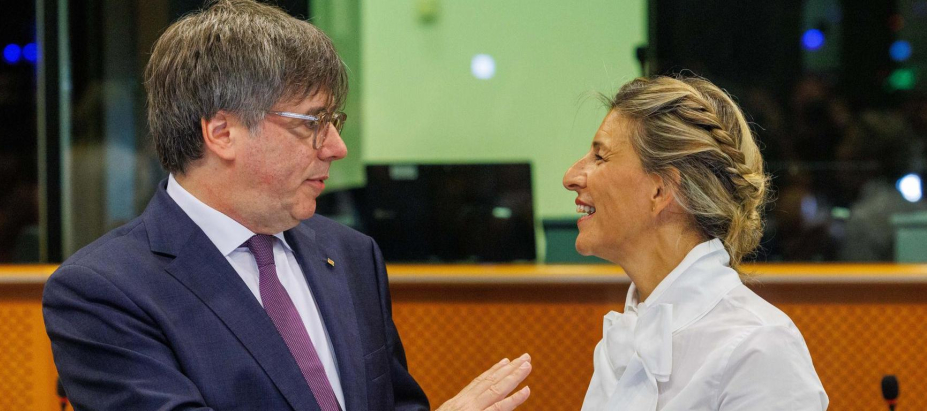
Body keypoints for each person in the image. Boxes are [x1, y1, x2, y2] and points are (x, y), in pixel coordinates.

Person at [41, 1, 531, 410]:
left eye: (334, 120)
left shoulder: (351, 255)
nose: (336, 147)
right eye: (312, 122)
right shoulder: (103, 292)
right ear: (222, 132)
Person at [563, 75, 828, 410]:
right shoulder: (625, 336)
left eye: (600, 157)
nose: (570, 177)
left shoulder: (759, 347)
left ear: (660, 191)